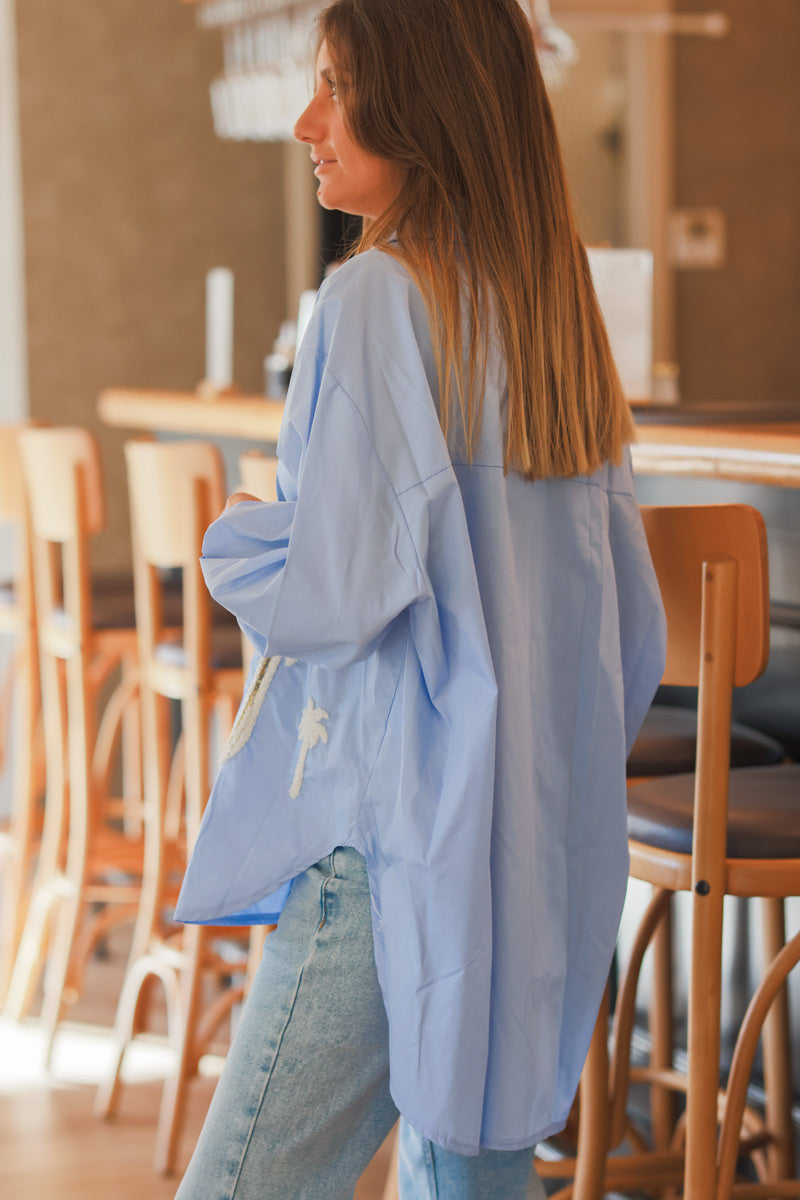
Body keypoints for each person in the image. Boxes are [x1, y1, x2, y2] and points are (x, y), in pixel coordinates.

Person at [173, 0, 667, 1196]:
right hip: (528, 841)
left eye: (337, 87)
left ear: (423, 104)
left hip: (383, 836)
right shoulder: (554, 325)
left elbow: (332, 594)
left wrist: (231, 539)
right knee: (468, 1175)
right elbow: (633, 636)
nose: (306, 122)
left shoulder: (373, 300)